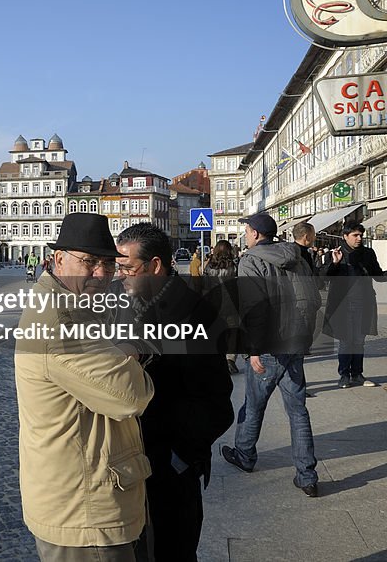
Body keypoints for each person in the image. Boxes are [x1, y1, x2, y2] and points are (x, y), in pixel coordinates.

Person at [15, 213, 153, 560]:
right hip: (85, 513)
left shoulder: (79, 304)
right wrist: (129, 352)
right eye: (89, 261)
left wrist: (120, 352)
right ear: (58, 259)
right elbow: (132, 396)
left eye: (108, 264)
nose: (100, 272)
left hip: (88, 493)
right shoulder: (60, 321)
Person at [114, 223, 233, 562]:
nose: (120, 275)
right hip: (135, 463)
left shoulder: (196, 314)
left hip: (169, 469)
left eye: (127, 267)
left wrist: (177, 458)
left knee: (171, 552)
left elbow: (217, 404)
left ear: (154, 266)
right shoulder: (129, 302)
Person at [222, 213, 320, 497]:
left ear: (254, 233)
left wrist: (254, 349)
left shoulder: (251, 260)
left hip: (269, 347)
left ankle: (244, 455)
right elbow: (313, 298)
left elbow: (255, 309)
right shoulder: (298, 256)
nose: (245, 234)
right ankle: (307, 476)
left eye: (247, 230)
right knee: (298, 411)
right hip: (295, 344)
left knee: (253, 405)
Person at [321, 221, 385, 388]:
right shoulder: (335, 253)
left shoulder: (368, 253)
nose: (359, 238)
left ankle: (357, 374)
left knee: (358, 340)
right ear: (345, 236)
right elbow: (323, 278)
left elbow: (378, 275)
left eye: (361, 235)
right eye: (355, 235)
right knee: (346, 340)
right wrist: (334, 263)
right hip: (342, 304)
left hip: (364, 302)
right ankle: (344, 375)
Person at [204, 240, 240, 374]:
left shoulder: (209, 267)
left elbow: (205, 287)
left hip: (214, 305)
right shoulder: (235, 266)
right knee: (233, 333)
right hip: (232, 304)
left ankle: (218, 361)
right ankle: (230, 360)